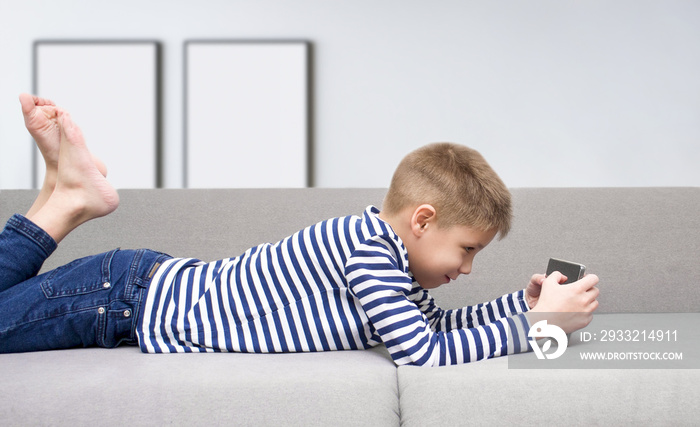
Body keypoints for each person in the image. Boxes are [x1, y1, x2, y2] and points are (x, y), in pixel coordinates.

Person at [0, 94, 600, 366]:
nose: (467, 268)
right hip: (122, 298)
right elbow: (420, 353)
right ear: (423, 220)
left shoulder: (389, 260)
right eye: (467, 249)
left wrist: (514, 307)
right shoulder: (369, 252)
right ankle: (63, 202)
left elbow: (431, 326)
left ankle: (65, 197)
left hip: (134, 291)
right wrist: (538, 329)